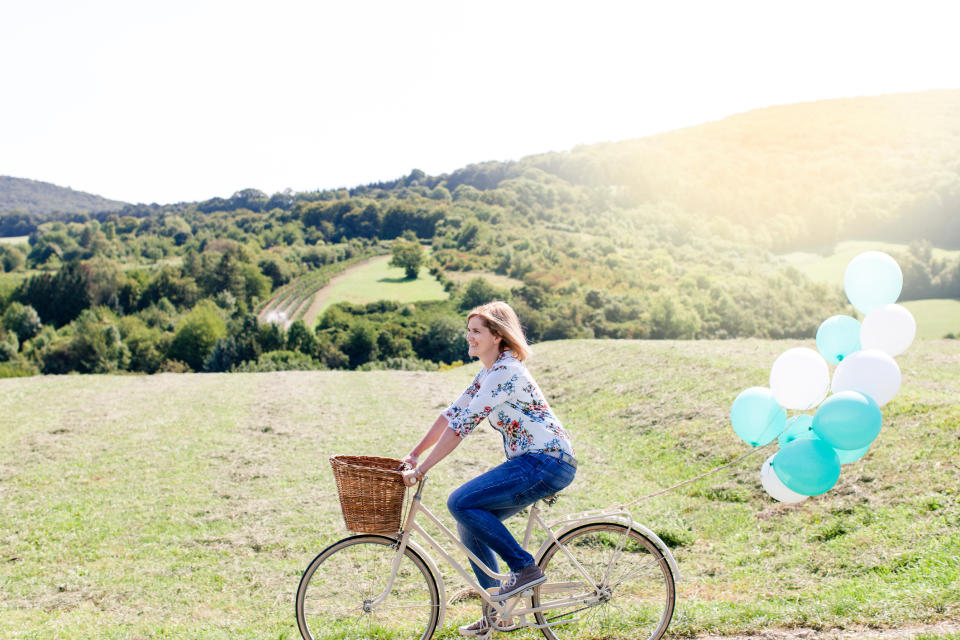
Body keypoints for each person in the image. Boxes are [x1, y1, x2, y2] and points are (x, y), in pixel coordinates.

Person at [401, 301, 576, 637]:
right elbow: (450, 416)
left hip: (546, 460)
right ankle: (499, 612)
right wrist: (413, 453)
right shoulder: (489, 372)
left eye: (476, 331)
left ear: (497, 335)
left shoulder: (506, 372)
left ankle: (524, 568)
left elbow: (460, 429)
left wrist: (421, 470)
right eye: (469, 330)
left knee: (460, 502)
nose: (469, 337)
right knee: (470, 526)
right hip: (536, 461)